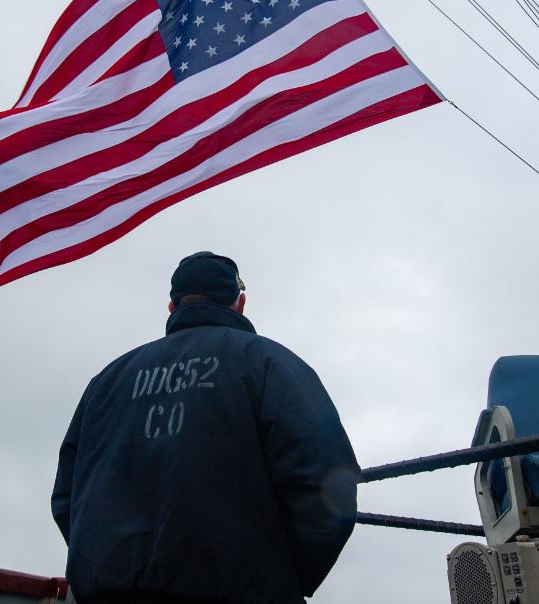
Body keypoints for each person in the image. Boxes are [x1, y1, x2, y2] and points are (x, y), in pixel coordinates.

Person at [52, 251, 359, 603]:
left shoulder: (105, 383)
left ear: (172, 307)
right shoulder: (272, 366)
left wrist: (103, 570)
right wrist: (285, 578)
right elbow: (326, 484)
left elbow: (66, 498)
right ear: (240, 304)